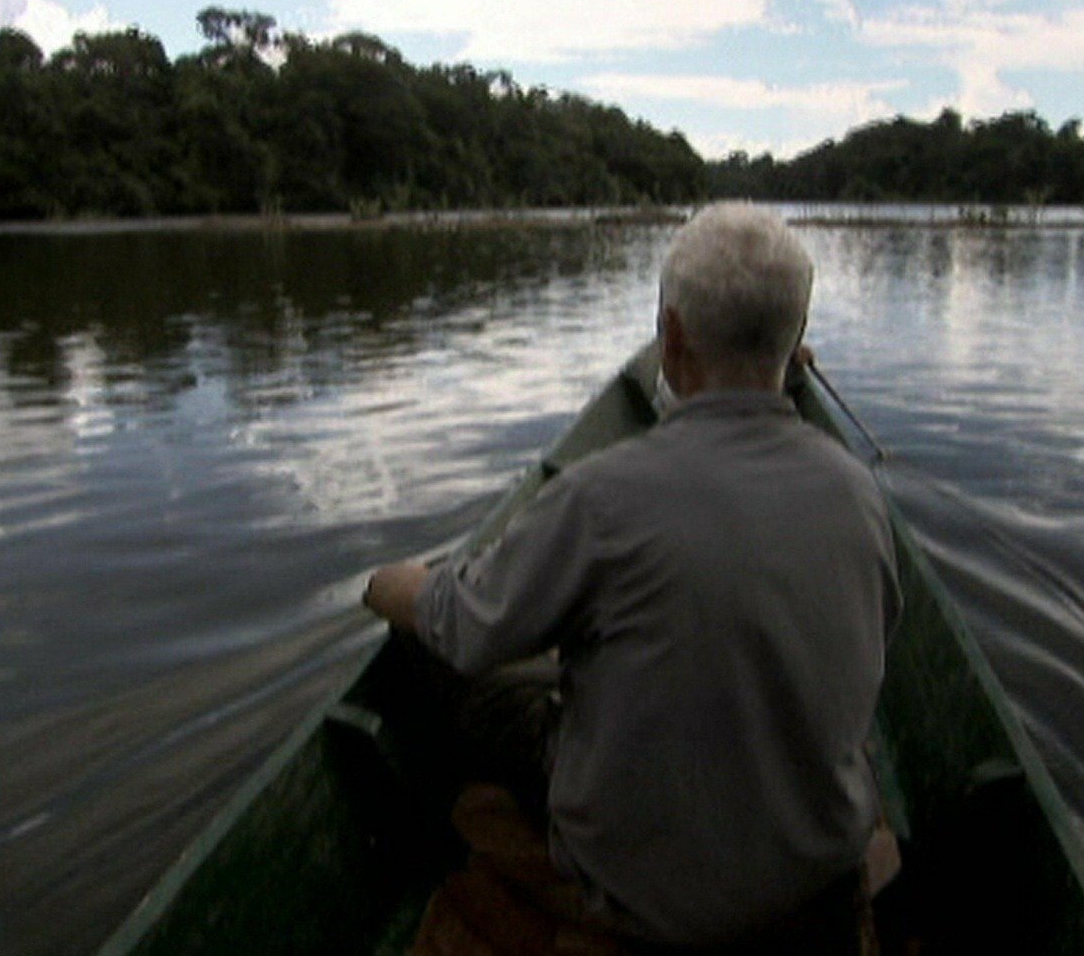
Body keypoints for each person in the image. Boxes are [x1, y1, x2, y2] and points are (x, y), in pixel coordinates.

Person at [364, 203, 901, 950]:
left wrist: (385, 582)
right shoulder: (860, 497)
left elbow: (459, 623)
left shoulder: (599, 497)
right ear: (797, 341)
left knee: (449, 667)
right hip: (815, 885)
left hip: (642, 898)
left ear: (673, 338)